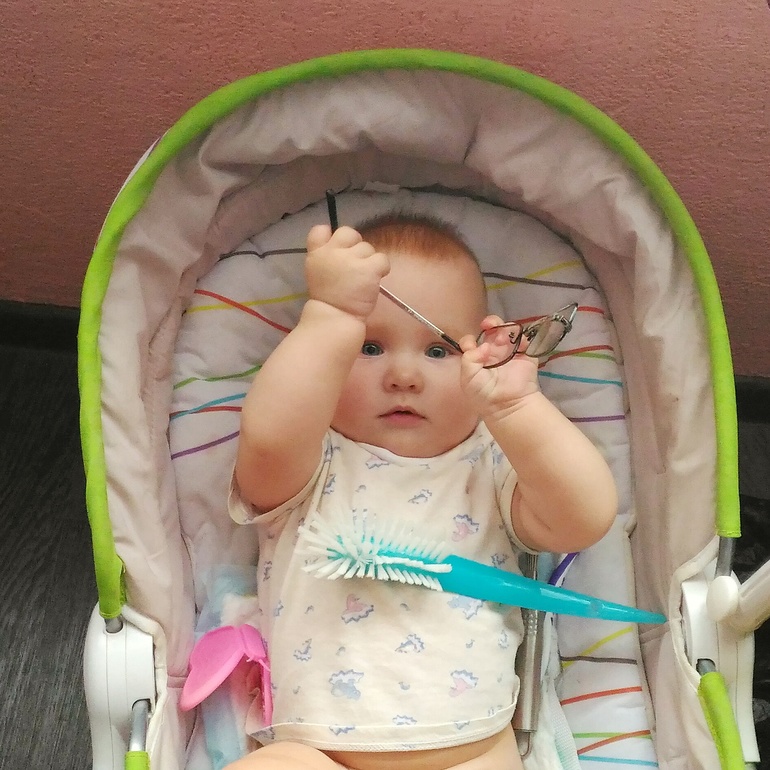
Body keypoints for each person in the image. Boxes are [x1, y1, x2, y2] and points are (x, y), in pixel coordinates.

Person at [226, 212, 618, 770]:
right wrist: (331, 316)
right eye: (369, 347)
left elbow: (584, 518)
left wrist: (517, 410)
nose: (404, 376)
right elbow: (267, 439)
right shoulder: (311, 459)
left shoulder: (494, 462)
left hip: (475, 752)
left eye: (438, 351)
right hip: (315, 753)